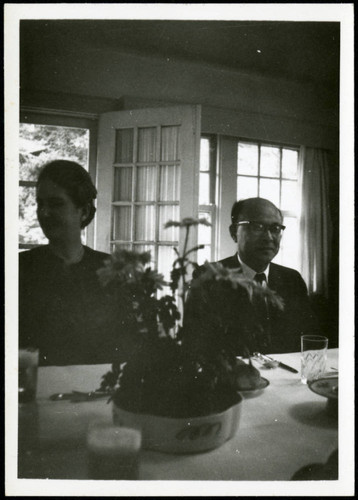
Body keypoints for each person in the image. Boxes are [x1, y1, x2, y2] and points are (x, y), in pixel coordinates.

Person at [19, 160, 120, 366]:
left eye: (56, 204)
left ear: (83, 211)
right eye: (40, 204)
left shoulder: (108, 267)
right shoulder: (20, 268)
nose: (44, 213)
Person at [217, 197, 320, 354]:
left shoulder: (292, 280)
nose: (268, 237)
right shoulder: (210, 279)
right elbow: (200, 348)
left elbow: (309, 340)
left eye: (275, 228)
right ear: (234, 233)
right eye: (257, 227)